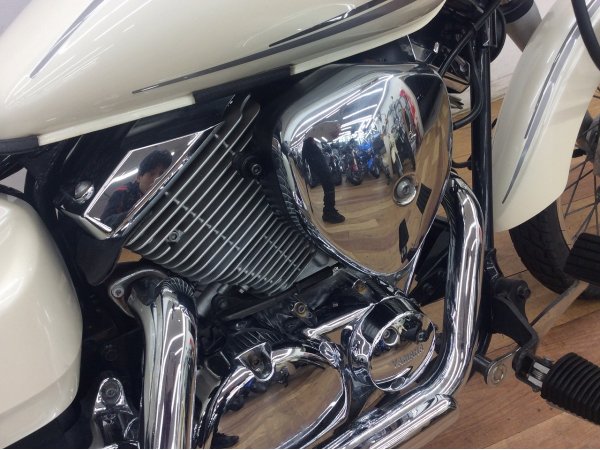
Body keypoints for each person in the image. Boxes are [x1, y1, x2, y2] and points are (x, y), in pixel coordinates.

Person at [101, 149, 172, 228]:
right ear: (139, 177)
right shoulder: (122, 193)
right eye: (151, 174)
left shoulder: (165, 195)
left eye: (161, 175)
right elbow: (104, 222)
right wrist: (132, 213)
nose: (156, 179)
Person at [303, 120, 345, 224]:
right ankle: (328, 213)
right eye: (337, 129)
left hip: (314, 152)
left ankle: (329, 210)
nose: (338, 131)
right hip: (313, 153)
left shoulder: (312, 141)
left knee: (329, 184)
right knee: (328, 184)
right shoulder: (309, 143)